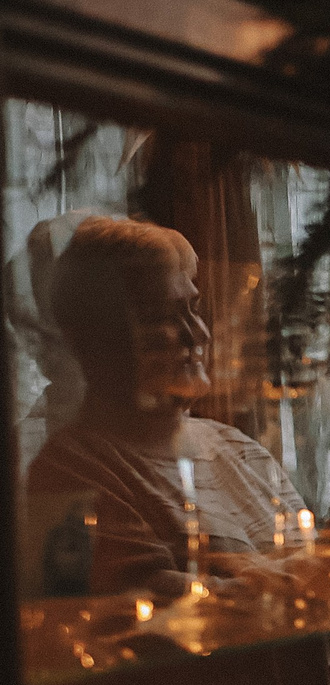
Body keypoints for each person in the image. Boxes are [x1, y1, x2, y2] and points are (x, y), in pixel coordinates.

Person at [25, 217, 300, 597]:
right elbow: (147, 613)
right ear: (96, 340)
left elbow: (322, 576)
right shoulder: (74, 469)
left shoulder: (241, 451)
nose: (197, 334)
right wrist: (280, 584)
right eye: (162, 317)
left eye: (193, 308)